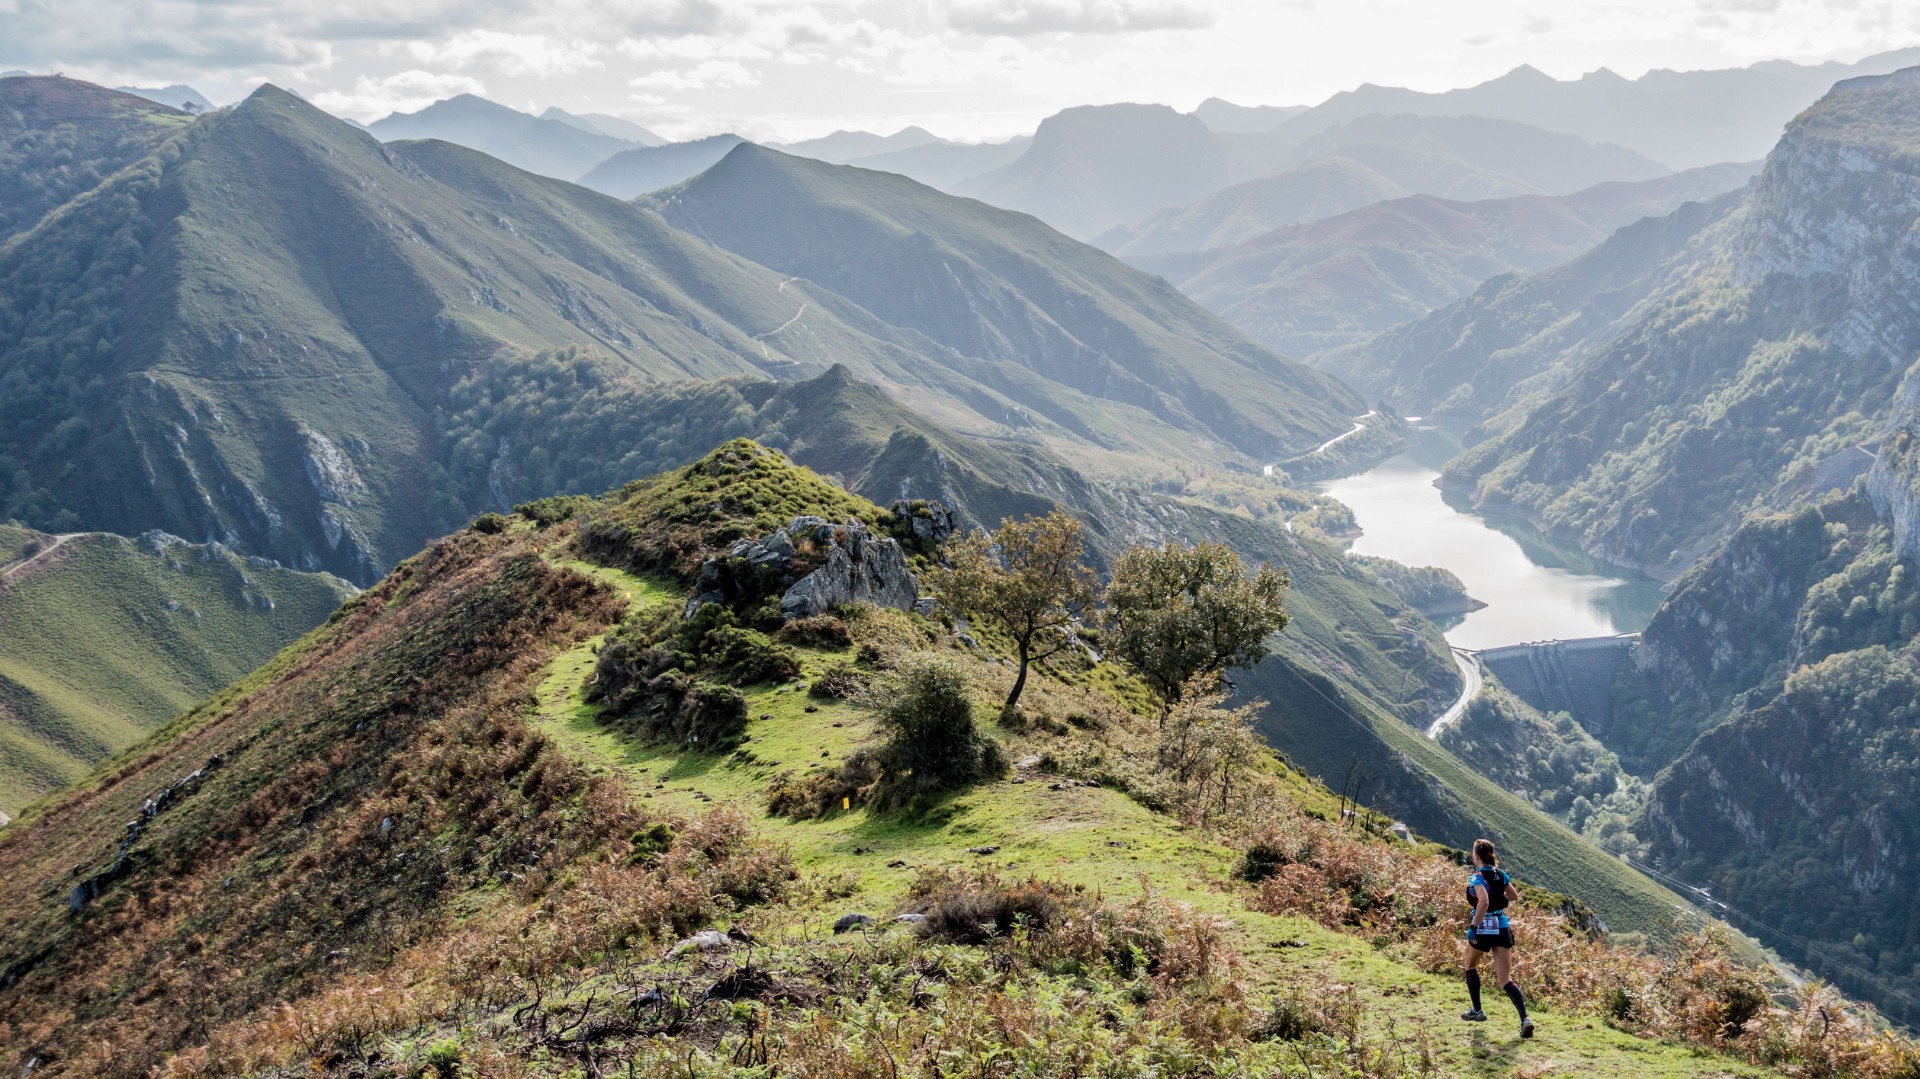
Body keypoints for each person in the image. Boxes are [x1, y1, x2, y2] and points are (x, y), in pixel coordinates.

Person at [1461, 838, 1534, 1038]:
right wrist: (1499, 899)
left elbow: (1482, 902)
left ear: (1476, 855)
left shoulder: (1476, 878)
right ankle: (1524, 1018)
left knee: (1470, 967)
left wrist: (1473, 927)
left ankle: (1477, 1010)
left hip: (1483, 928)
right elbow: (1514, 896)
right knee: (1505, 979)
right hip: (1501, 927)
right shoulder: (1501, 875)